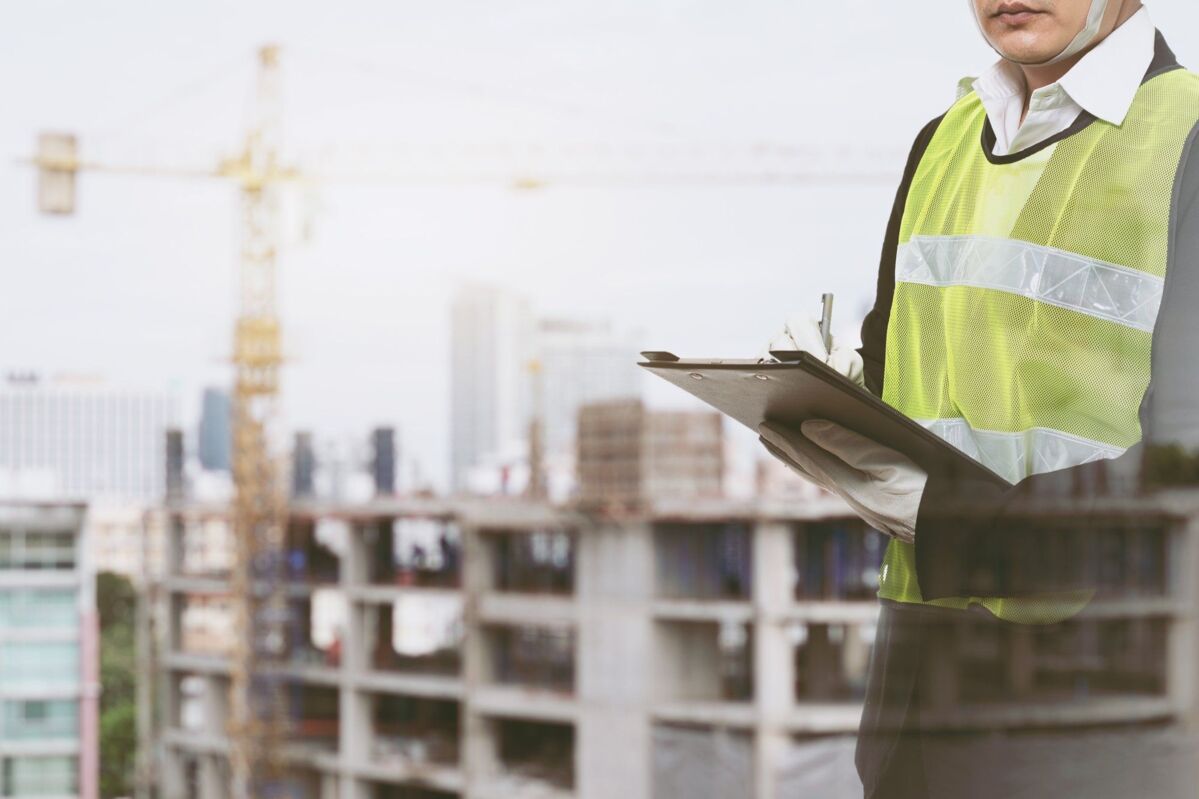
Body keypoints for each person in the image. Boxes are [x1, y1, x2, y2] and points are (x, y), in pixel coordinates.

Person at [760, 2, 1199, 797]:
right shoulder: (941, 142)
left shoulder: (1187, 138)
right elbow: (905, 367)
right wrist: (834, 394)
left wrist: (941, 516)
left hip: (1098, 687)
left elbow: (1185, 460)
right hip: (916, 678)